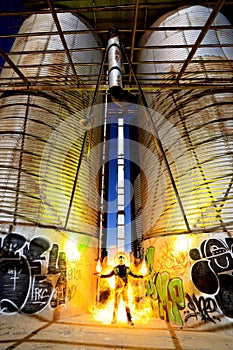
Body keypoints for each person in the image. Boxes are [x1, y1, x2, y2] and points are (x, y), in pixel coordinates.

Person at [100, 254, 143, 326]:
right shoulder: (115, 269)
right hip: (117, 290)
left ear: (124, 260)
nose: (121, 260)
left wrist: (140, 276)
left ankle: (129, 320)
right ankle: (114, 319)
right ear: (118, 260)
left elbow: (134, 275)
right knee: (116, 304)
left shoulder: (127, 269)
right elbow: (109, 275)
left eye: (122, 259)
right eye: (120, 259)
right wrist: (101, 276)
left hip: (125, 289)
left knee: (127, 305)